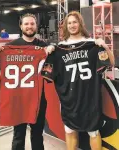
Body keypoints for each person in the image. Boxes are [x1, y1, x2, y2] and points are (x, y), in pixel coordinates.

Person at [41, 11, 114, 150]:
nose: (72, 25)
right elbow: (46, 73)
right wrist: (49, 51)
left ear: (80, 23)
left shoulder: (92, 44)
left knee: (93, 132)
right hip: (69, 99)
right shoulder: (58, 48)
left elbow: (110, 63)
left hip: (90, 98)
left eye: (75, 22)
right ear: (65, 26)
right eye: (69, 23)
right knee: (69, 131)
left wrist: (104, 46)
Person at [0, 13, 54, 150]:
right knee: (18, 135)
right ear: (21, 26)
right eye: (26, 24)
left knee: (37, 134)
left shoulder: (44, 46)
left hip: (38, 99)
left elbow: (51, 71)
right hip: (18, 98)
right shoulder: (10, 46)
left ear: (36, 26)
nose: (29, 26)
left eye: (32, 24)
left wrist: (51, 49)